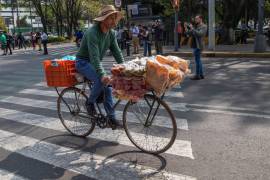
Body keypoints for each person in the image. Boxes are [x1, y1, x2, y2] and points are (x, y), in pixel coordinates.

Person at [75, 5, 124, 130]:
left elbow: (117, 52)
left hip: (93, 63)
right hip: (83, 62)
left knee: (107, 89)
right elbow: (94, 57)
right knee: (100, 80)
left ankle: (111, 118)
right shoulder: (92, 33)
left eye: (114, 18)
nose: (114, 21)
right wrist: (102, 75)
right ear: (103, 20)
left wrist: (125, 67)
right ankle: (90, 102)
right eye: (111, 18)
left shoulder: (111, 33)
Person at [185, 15, 207, 80]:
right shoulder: (196, 26)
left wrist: (192, 28)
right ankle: (201, 74)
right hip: (195, 45)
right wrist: (186, 27)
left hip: (199, 46)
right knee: (198, 60)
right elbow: (189, 33)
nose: (195, 20)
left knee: (197, 61)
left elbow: (199, 34)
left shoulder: (204, 26)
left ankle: (197, 75)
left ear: (200, 19)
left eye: (197, 19)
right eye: (195, 19)